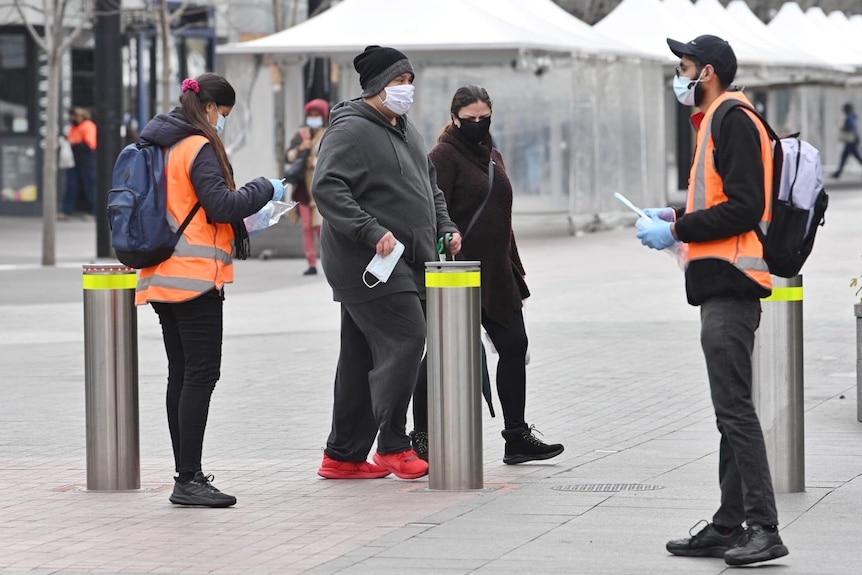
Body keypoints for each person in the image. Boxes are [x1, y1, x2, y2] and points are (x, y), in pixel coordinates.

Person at [635, 35, 789, 566]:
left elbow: (745, 208)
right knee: (730, 409)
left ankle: (763, 526)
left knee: (735, 409)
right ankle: (728, 524)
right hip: (720, 281)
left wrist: (678, 224)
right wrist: (677, 217)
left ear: (709, 73)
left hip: (732, 282)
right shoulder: (718, 120)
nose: (680, 77)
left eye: (685, 68)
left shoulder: (732, 119)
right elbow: (724, 200)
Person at [135, 73, 285, 507]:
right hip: (195, 277)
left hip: (161, 271)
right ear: (209, 107)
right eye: (223, 113)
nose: (223, 122)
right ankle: (189, 479)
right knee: (200, 375)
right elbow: (221, 205)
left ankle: (187, 475)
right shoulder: (196, 146)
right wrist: (265, 188)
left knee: (180, 375)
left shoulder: (160, 144)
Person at [312, 45, 462, 481]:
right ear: (377, 86)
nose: (407, 90)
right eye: (399, 82)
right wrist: (371, 231)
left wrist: (446, 226)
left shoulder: (407, 130)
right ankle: (393, 444)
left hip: (410, 259)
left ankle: (342, 455)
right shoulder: (350, 130)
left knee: (360, 358)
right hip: (367, 261)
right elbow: (328, 188)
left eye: (410, 81)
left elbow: (430, 187)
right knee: (408, 337)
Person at [408, 85, 564, 466]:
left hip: (498, 271)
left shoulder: (493, 155)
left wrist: (514, 266)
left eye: (485, 118)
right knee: (442, 354)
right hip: (458, 274)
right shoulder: (442, 156)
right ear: (454, 118)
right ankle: (422, 437)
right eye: (470, 120)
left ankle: (516, 437)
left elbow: (501, 215)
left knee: (514, 345)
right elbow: (431, 210)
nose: (478, 125)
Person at [284, 98, 329, 275]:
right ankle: (311, 262)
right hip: (303, 188)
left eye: (317, 115)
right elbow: (288, 156)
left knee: (321, 228)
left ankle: (327, 260)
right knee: (306, 227)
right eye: (311, 115)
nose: (314, 118)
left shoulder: (328, 133)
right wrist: (300, 149)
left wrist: (318, 161)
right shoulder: (301, 134)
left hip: (321, 187)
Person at [60, 107, 97, 220]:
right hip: (74, 158)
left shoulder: (87, 125)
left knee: (89, 185)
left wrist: (74, 143)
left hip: (85, 157)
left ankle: (95, 211)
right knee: (71, 185)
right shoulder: (74, 127)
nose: (72, 118)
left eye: (74, 116)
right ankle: (67, 211)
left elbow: (89, 144)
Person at [831, 102, 861, 179]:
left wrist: (843, 128)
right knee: (848, 157)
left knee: (848, 157)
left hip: (851, 141)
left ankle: (838, 173)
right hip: (852, 141)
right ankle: (838, 173)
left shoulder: (850, 117)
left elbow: (851, 127)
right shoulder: (852, 116)